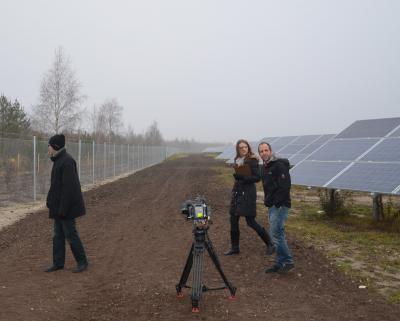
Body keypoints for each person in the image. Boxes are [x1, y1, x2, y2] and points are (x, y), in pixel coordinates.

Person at [44, 134, 88, 273]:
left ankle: (82, 262)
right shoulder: (58, 160)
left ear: (55, 147)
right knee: (58, 235)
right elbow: (56, 186)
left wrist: (63, 210)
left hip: (66, 208)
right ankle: (58, 263)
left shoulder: (67, 161)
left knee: (71, 234)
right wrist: (50, 200)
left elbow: (69, 189)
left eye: (49, 146)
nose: (48, 148)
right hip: (59, 207)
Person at [225, 139, 274, 256]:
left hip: (248, 194)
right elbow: (240, 177)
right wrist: (237, 178)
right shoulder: (237, 160)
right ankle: (235, 248)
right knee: (233, 219)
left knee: (251, 222)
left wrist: (242, 178)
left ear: (248, 148)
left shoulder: (252, 160)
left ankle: (270, 244)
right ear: (238, 149)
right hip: (237, 192)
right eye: (241, 147)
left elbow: (257, 178)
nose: (243, 149)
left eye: (245, 147)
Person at [258, 142, 294, 273]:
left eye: (266, 150)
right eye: (261, 151)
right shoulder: (264, 167)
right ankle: (279, 263)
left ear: (271, 151)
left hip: (280, 205)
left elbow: (285, 187)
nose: (264, 153)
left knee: (275, 234)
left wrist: (276, 203)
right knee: (278, 234)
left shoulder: (279, 165)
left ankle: (288, 262)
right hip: (272, 205)